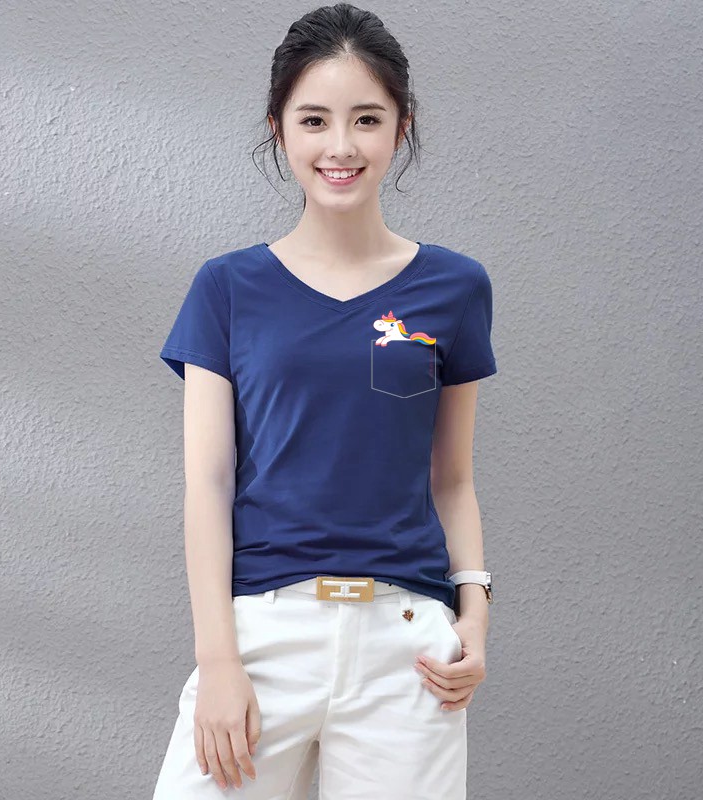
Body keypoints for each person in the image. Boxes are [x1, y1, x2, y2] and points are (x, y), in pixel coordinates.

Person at [152, 4, 497, 798]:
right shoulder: (226, 288)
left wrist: (474, 617)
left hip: (407, 648)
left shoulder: (454, 288)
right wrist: (218, 660)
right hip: (261, 634)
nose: (341, 146)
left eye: (366, 119)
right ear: (279, 130)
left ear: (402, 127)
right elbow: (207, 484)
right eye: (314, 120)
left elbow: (452, 480)